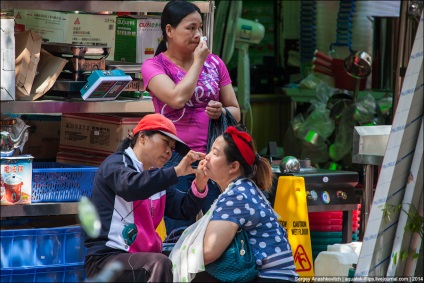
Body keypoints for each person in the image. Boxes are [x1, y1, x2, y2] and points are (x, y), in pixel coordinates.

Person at [141, 0, 241, 234]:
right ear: (169, 31)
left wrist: (222, 111)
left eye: (200, 28)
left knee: (219, 228)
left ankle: (220, 271)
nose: (197, 34)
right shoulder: (154, 66)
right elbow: (177, 98)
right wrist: (198, 61)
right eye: (190, 28)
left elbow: (235, 110)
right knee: (179, 231)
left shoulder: (215, 63)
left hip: (214, 158)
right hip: (175, 157)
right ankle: (181, 272)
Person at [84, 113, 210, 282]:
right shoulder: (116, 163)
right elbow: (130, 187)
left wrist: (200, 184)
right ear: (142, 137)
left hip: (143, 258)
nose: (169, 152)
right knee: (159, 263)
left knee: (194, 263)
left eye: (172, 149)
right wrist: (176, 172)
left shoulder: (157, 177)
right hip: (106, 259)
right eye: (166, 143)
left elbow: (183, 209)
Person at [171, 125, 299, 282]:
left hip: (268, 278)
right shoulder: (244, 188)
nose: (207, 157)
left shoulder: (236, 196)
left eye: (215, 154)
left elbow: (208, 252)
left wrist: (176, 258)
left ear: (233, 166)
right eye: (210, 151)